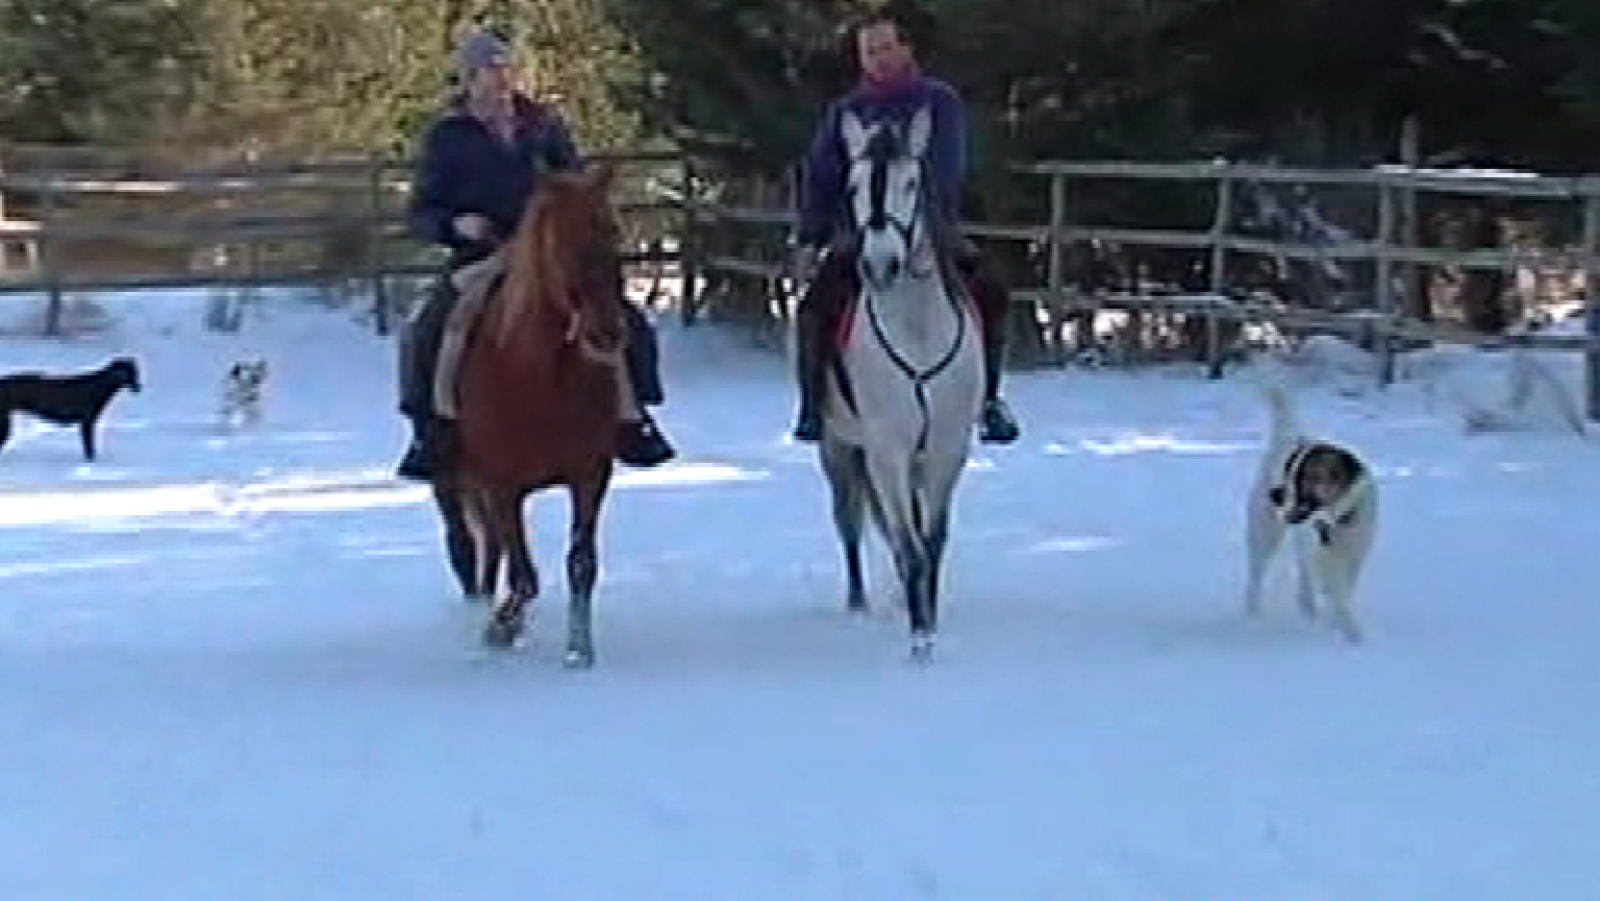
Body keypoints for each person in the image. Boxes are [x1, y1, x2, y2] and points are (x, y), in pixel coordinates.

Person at [395, 27, 675, 481]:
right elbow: (421, 210)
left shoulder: (542, 124)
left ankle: (632, 415)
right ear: (471, 75)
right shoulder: (448, 136)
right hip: (485, 252)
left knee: (622, 317)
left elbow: (576, 180)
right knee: (432, 326)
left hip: (550, 255)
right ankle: (434, 427)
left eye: (506, 67)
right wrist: (454, 224)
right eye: (491, 68)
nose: (501, 77)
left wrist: (576, 208)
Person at [788, 9, 1020, 445]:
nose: (878, 58)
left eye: (885, 48)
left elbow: (949, 166)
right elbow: (822, 173)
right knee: (815, 307)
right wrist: (812, 232)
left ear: (906, 48)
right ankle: (814, 403)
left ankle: (988, 400)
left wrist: (927, 220)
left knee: (990, 290)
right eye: (868, 51)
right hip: (858, 230)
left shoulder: (938, 102)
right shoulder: (846, 112)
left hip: (929, 228)